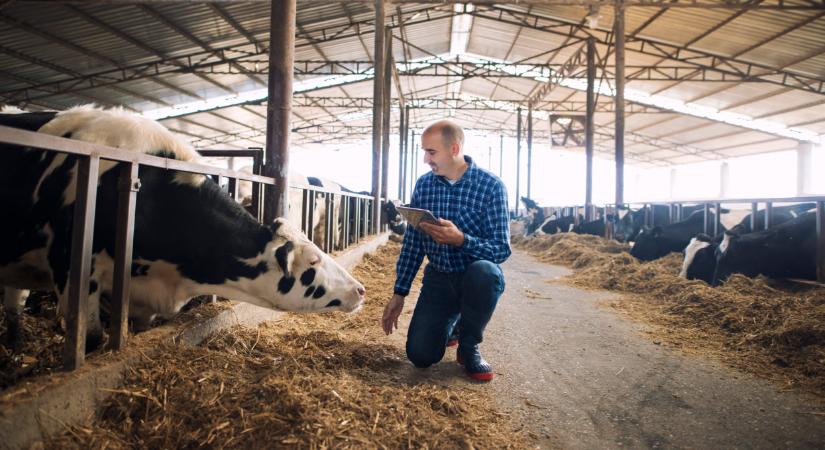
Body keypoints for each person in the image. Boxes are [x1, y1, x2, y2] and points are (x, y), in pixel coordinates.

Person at [381, 120, 511, 381]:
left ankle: (468, 344)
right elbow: (414, 242)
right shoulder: (424, 186)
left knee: (486, 272)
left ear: (453, 149)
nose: (425, 159)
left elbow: (501, 249)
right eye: (424, 151)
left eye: (431, 152)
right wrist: (399, 292)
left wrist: (461, 240)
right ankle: (450, 324)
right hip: (439, 278)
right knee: (420, 356)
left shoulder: (491, 187)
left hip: (473, 277)